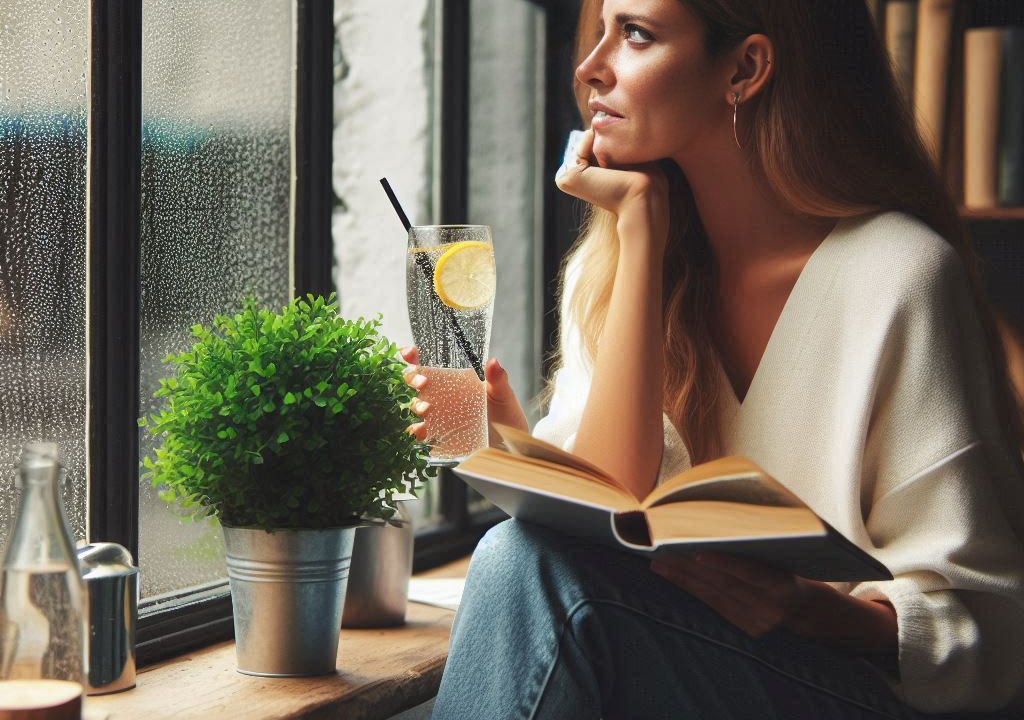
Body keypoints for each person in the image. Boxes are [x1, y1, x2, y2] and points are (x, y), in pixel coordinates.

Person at [403, 0, 1024, 717]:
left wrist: (816, 611)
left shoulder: (901, 276)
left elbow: (991, 627)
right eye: (600, 29)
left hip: (849, 692)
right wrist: (511, 439)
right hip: (671, 674)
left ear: (746, 67)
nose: (589, 67)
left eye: (635, 34)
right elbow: (612, 500)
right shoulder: (610, 275)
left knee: (517, 566)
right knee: (517, 556)